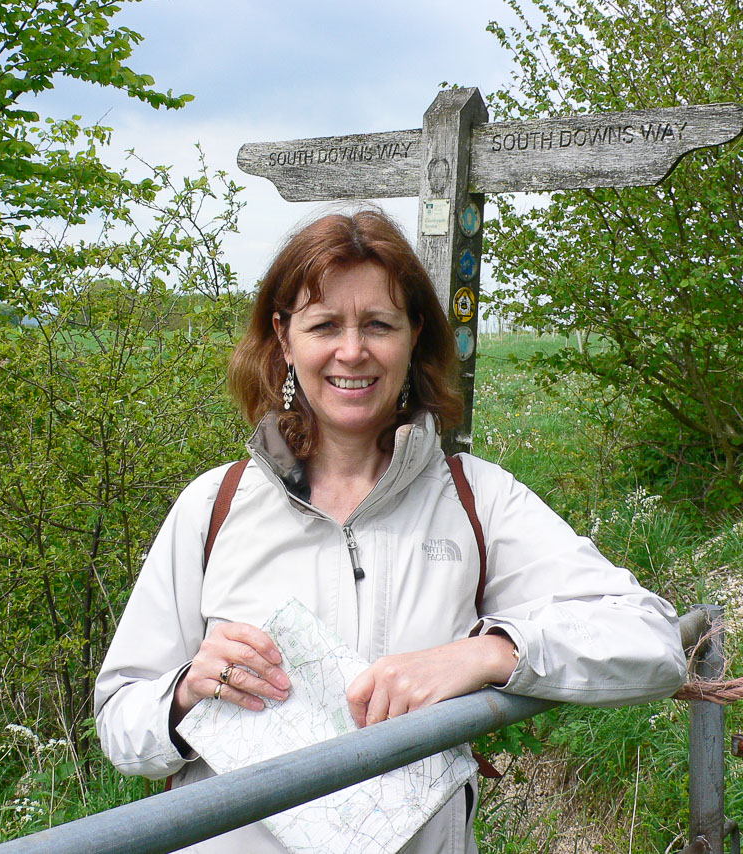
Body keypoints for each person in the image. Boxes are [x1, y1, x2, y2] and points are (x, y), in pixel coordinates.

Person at [94, 209, 686, 853]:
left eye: (378, 324)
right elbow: (121, 720)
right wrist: (182, 697)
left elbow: (651, 640)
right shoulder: (215, 505)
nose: (353, 351)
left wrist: (488, 655)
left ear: (415, 336)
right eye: (324, 325)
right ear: (285, 339)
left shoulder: (474, 499)